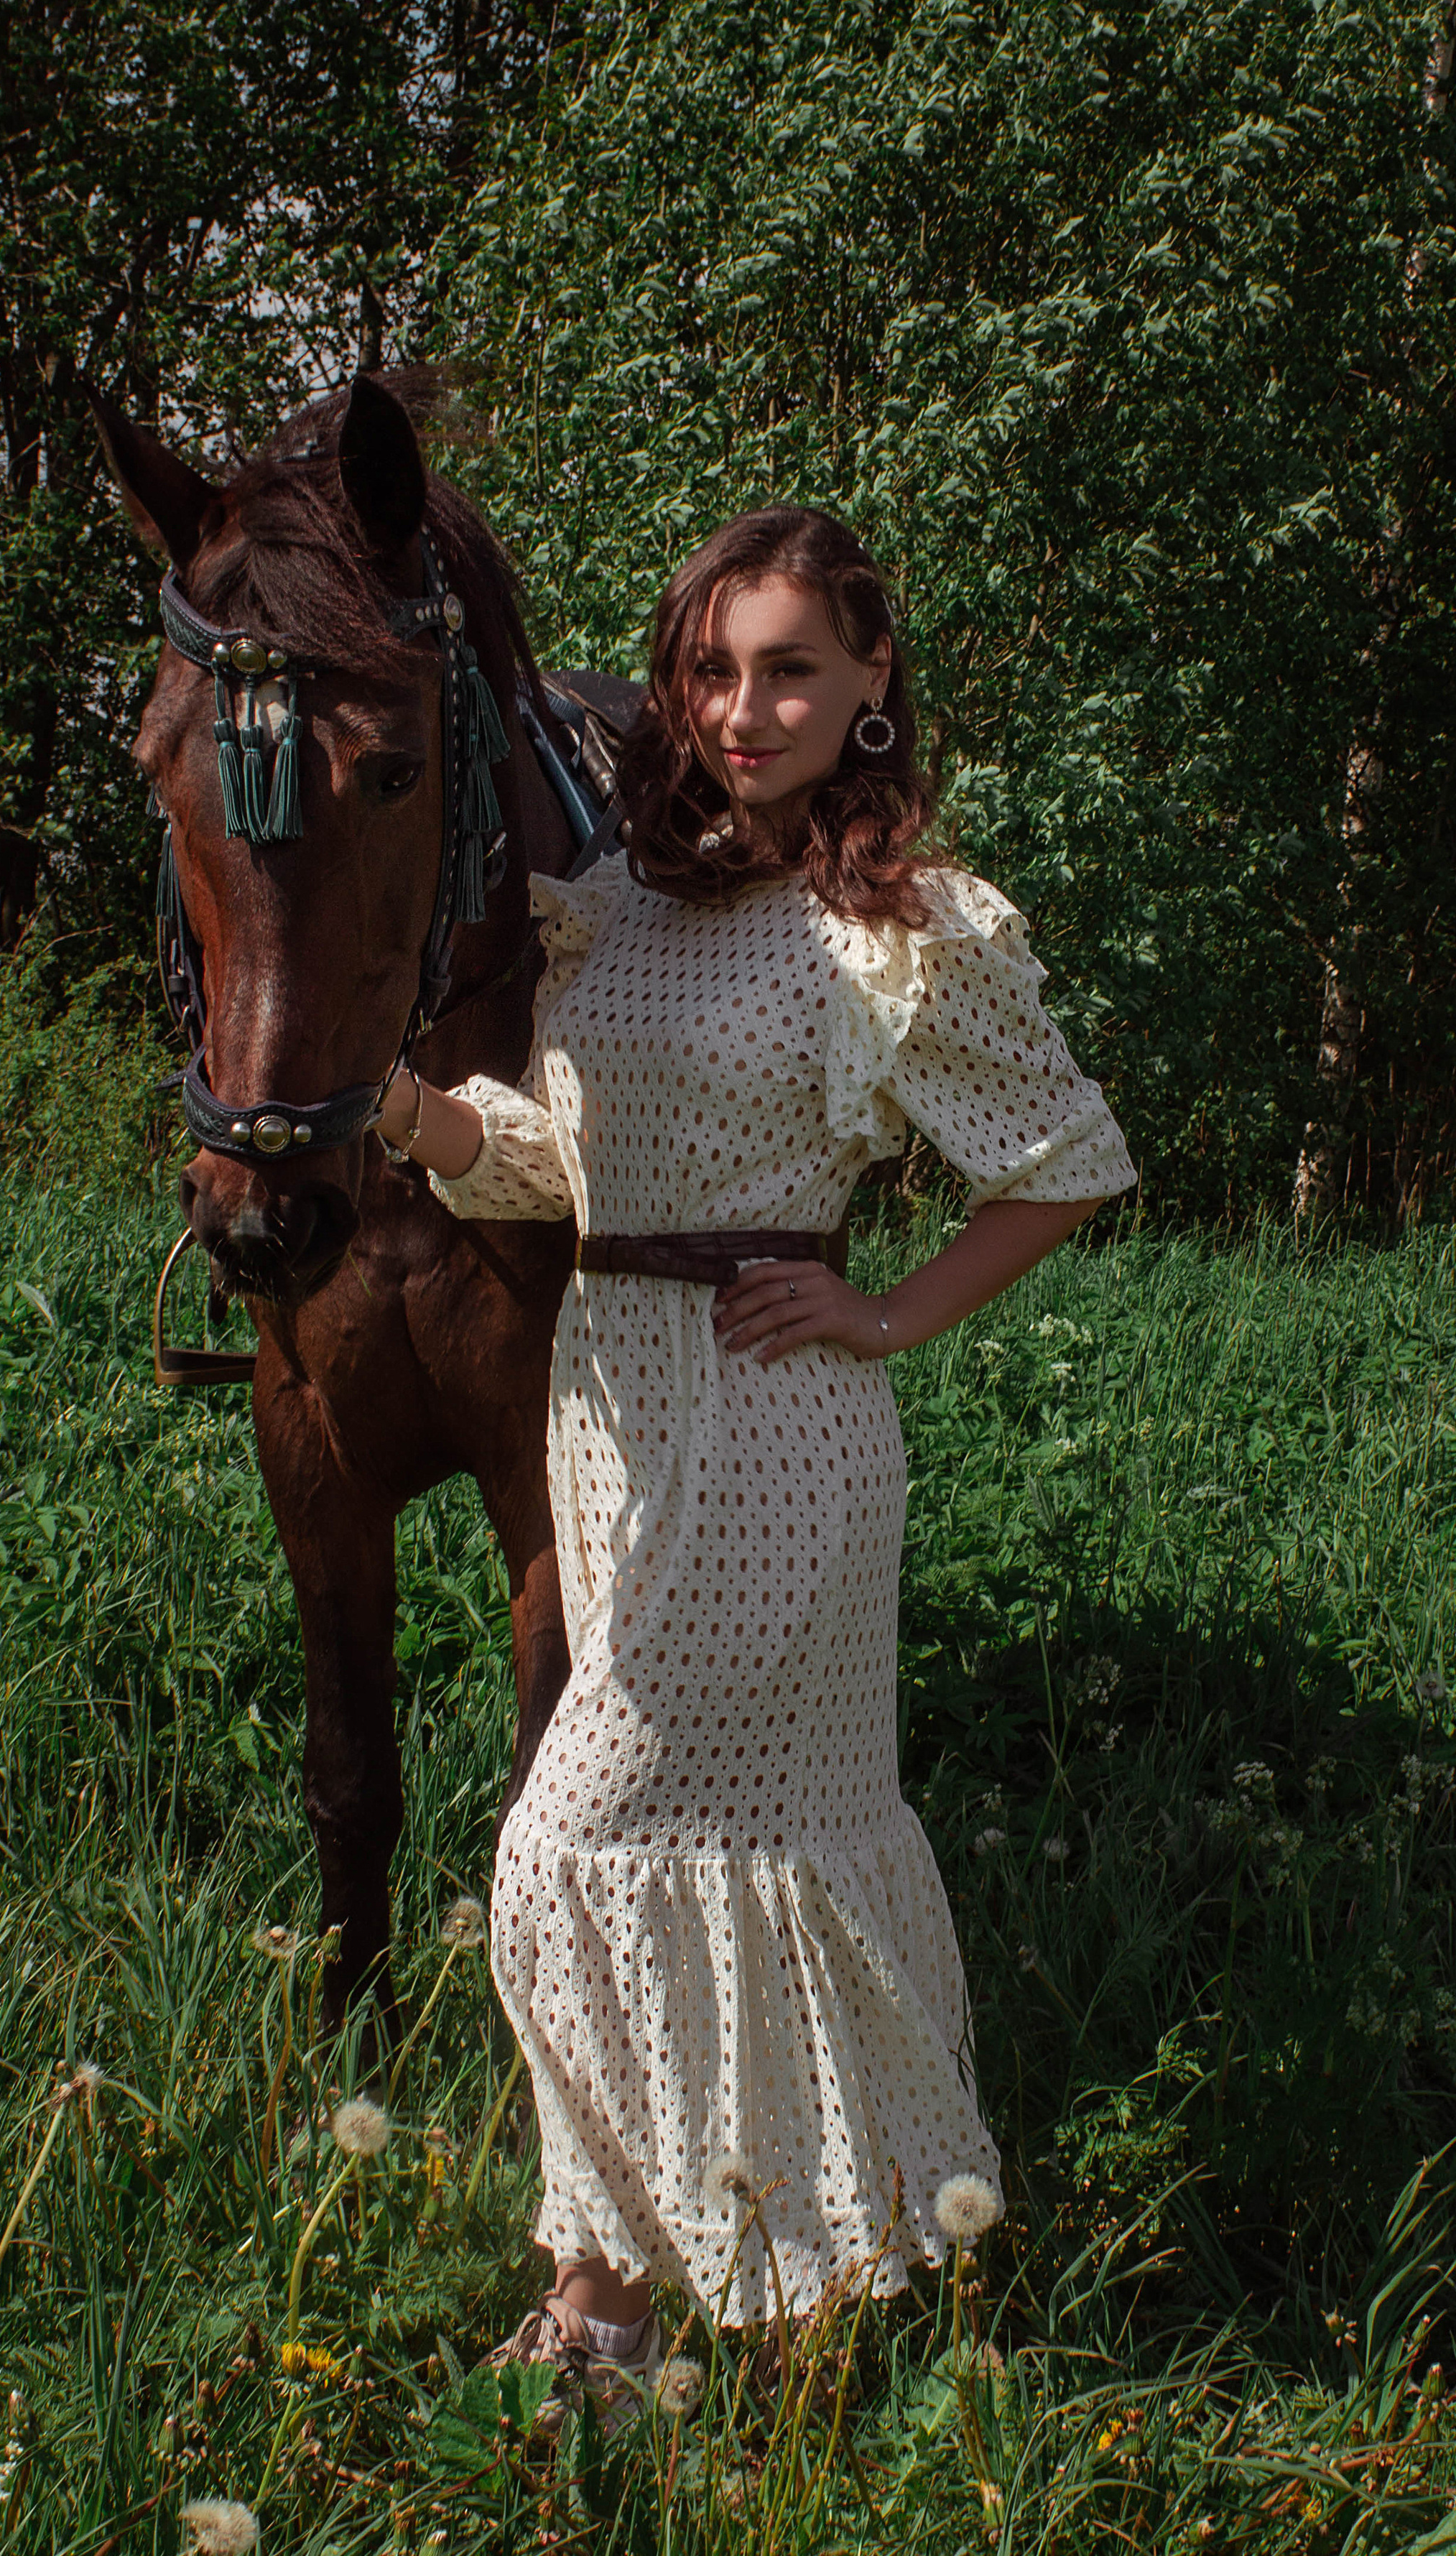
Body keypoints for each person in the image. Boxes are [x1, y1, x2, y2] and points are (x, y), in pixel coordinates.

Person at [375, 505, 1136, 2415]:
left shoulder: (904, 928)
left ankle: (655, 2293)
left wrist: (885, 1313)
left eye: (791, 667)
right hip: (611, 1406)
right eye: (713, 668)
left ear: (872, 684)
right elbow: (566, 1162)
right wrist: (410, 1117)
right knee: (704, 1860)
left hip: (776, 1430)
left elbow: (1063, 1164)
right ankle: (681, 2286)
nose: (743, 707)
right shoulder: (621, 907)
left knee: (569, 1852)